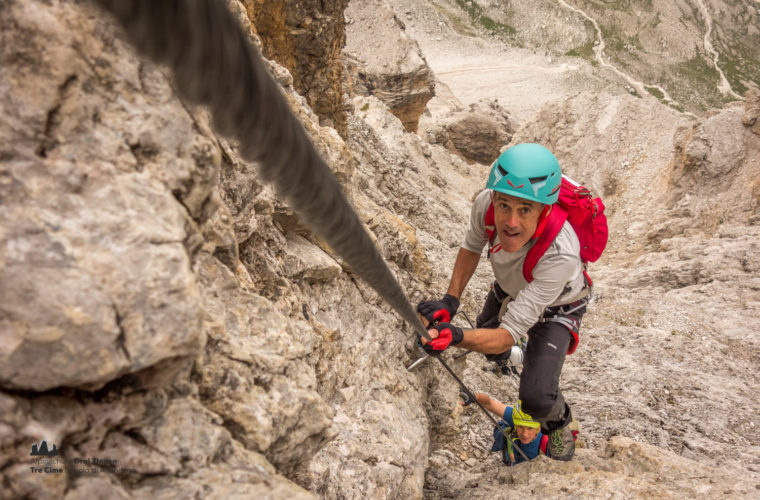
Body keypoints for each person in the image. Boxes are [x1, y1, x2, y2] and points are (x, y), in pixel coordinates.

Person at [418, 143, 589, 461]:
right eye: (504, 205)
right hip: (512, 285)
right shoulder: (485, 204)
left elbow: (509, 331)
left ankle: (561, 422)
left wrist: (455, 337)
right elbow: (471, 247)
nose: (510, 221)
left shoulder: (561, 251)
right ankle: (521, 358)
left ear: (545, 209)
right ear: (494, 198)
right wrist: (450, 300)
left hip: (560, 304)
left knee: (536, 397)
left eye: (525, 209)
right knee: (486, 333)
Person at [465, 393, 547, 465]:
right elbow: (489, 403)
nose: (524, 434)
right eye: (520, 427)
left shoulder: (549, 444)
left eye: (530, 428)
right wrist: (473, 396)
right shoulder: (518, 418)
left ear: (539, 427)